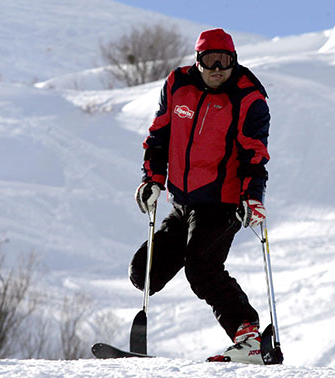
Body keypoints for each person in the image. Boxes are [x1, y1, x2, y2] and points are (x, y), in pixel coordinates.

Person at [130, 28, 270, 364]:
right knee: (144, 273)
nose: (218, 68)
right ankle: (246, 335)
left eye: (225, 61)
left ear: (234, 62)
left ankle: (249, 337)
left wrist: (252, 196)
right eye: (210, 60)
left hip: (223, 202)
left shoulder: (249, 98)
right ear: (198, 61)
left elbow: (255, 154)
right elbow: (158, 136)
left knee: (202, 268)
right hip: (182, 202)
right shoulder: (178, 85)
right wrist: (152, 180)